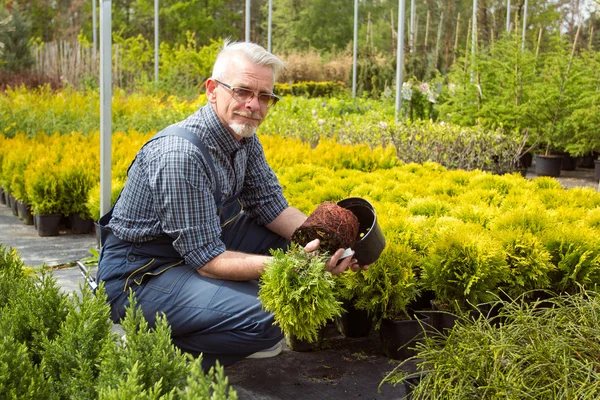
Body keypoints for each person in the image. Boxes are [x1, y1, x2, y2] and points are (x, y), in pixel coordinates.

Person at [97, 39, 364, 371]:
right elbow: (207, 260)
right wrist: (295, 267)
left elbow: (271, 207)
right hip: (141, 275)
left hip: (190, 252)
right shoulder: (181, 154)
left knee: (292, 241)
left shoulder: (244, 139)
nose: (253, 104)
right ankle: (151, 350)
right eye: (242, 91)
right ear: (212, 90)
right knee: (273, 313)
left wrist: (331, 245)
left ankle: (213, 317)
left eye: (264, 96)